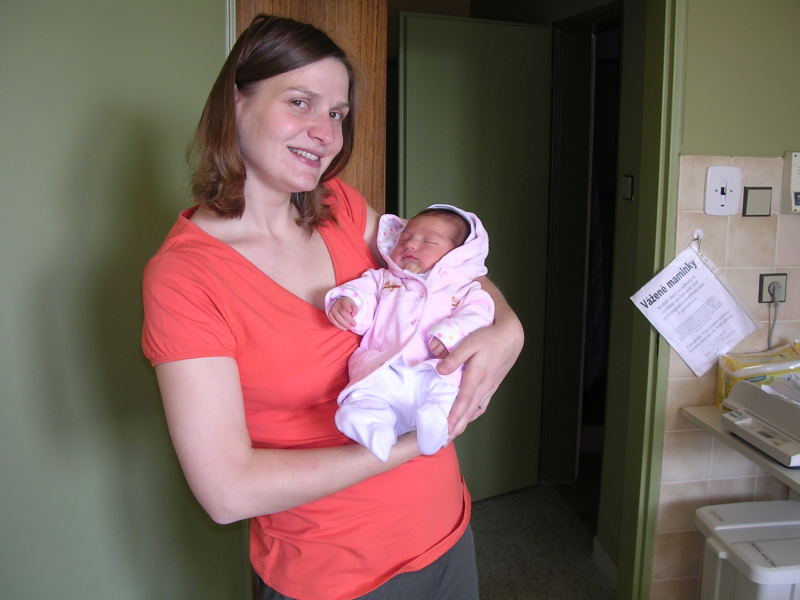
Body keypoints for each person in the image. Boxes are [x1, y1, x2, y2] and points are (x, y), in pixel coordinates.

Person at [141, 13, 523, 600]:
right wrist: (413, 441)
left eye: (338, 114)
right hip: (332, 576)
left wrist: (508, 329)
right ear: (235, 103)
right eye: (301, 102)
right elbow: (227, 493)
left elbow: (450, 271)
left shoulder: (339, 207)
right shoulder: (186, 277)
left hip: (446, 532)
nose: (325, 133)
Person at [325, 205, 494, 462]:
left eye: (428, 242)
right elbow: (363, 292)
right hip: (385, 365)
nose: (411, 245)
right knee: (367, 391)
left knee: (448, 388)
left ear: (457, 255)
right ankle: (371, 424)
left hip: (433, 368)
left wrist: (450, 336)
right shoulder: (384, 279)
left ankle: (435, 420)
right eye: (404, 238)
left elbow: (479, 316)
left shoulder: (465, 290)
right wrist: (349, 304)